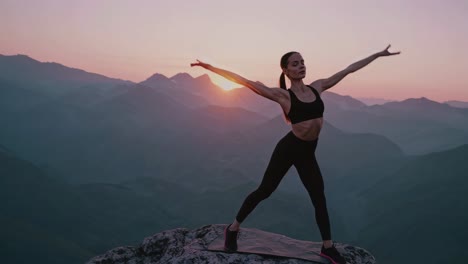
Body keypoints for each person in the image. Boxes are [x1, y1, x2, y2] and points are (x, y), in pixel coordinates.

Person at [190, 45, 400, 264]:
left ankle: (327, 247)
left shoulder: (317, 87)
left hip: (308, 153)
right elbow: (244, 81)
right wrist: (210, 67)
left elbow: (348, 69)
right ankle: (233, 229)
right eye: (295, 64)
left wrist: (376, 55)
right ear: (286, 71)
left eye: (302, 62)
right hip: (289, 149)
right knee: (265, 190)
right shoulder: (282, 96)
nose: (301, 66)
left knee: (318, 195)